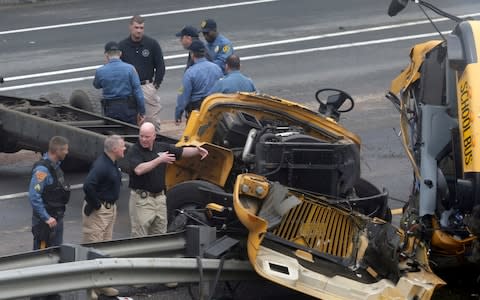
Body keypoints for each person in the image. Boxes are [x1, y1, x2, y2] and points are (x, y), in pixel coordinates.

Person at [126, 122, 208, 237]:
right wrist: (159, 160)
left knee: (160, 235)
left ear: (154, 136)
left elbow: (182, 152)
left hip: (159, 200)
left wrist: (197, 151)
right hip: (142, 201)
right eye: (141, 136)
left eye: (147, 137)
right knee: (140, 236)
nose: (143, 139)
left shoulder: (161, 147)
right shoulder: (135, 150)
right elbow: (139, 170)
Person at [82, 135, 125, 299]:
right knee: (92, 248)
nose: (124, 148)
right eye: (122, 146)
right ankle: (89, 288)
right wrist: (98, 205)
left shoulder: (112, 163)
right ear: (114, 149)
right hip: (98, 212)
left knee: (104, 249)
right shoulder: (101, 166)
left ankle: (102, 285)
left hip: (109, 210)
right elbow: (88, 186)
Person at [28, 136, 70, 300]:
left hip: (56, 219)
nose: (67, 152)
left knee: (54, 255)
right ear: (57, 151)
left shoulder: (56, 167)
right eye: (65, 149)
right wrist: (46, 218)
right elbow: (34, 196)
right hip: (45, 224)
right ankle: (37, 294)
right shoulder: (42, 170)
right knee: (42, 257)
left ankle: (51, 290)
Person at [119, 15, 165, 132]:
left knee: (151, 121)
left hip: (146, 87)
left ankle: (155, 144)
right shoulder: (122, 46)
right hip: (129, 89)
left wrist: (155, 86)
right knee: (132, 121)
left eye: (141, 28)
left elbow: (160, 66)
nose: (139, 30)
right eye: (136, 27)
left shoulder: (152, 44)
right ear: (130, 27)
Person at [93, 41, 146, 126]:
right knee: (131, 133)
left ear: (106, 55)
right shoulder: (130, 69)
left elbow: (96, 85)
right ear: (120, 54)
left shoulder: (100, 71)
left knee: (113, 133)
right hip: (128, 108)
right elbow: (138, 92)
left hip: (110, 109)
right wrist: (142, 112)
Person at [175, 40, 223, 124]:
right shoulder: (217, 68)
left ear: (192, 54)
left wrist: (178, 113)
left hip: (197, 113)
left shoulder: (190, 72)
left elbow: (182, 96)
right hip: (215, 110)